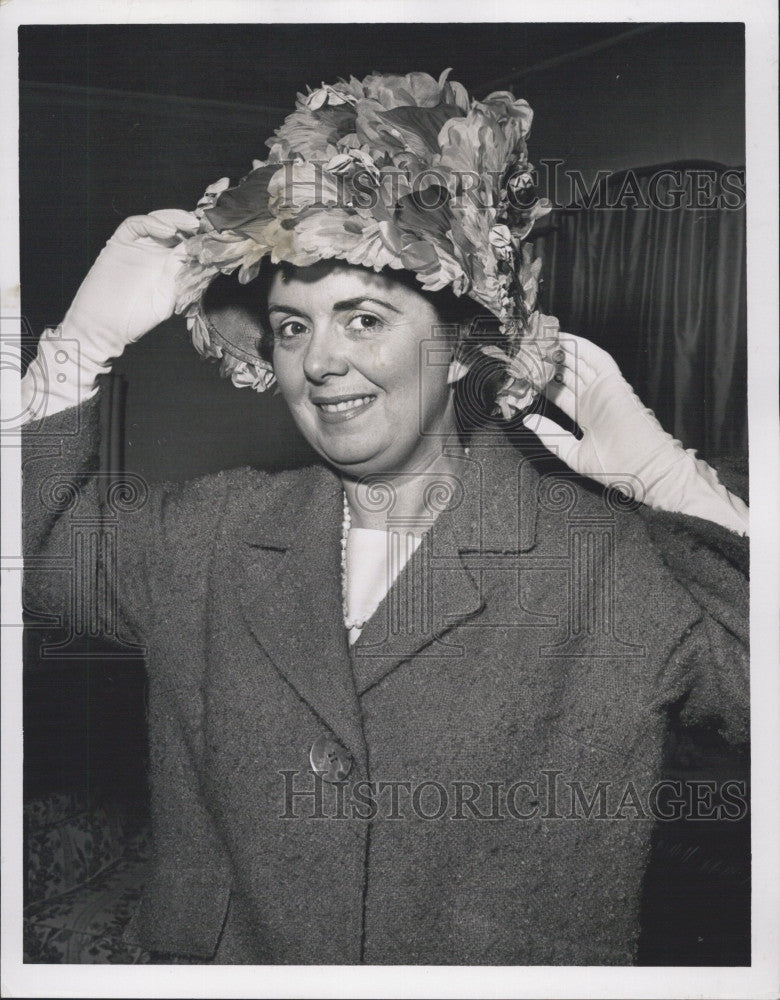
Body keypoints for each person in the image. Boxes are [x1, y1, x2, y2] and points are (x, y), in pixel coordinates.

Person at [21, 70, 749, 965]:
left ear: (457, 352)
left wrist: (667, 479)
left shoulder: (603, 565)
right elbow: (31, 556)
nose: (319, 360)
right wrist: (77, 349)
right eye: (291, 326)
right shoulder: (209, 535)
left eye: (362, 318)